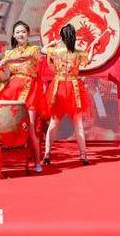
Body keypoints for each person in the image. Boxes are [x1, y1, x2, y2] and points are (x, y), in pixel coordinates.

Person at [0, 20, 47, 173]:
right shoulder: (9, 53)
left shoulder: (34, 49)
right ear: (14, 35)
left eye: (23, 32)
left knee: (30, 127)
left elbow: (25, 58)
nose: (21, 34)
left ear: (28, 34)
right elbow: (4, 78)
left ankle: (37, 162)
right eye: (18, 32)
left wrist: (7, 61)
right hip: (12, 89)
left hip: (30, 90)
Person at [41, 24, 101, 166]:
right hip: (74, 88)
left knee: (54, 122)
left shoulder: (55, 51)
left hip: (58, 87)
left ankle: (47, 154)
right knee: (78, 123)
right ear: (74, 36)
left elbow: (42, 50)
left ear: (62, 36)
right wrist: (93, 45)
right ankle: (83, 155)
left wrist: (52, 43)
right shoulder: (78, 53)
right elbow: (89, 59)